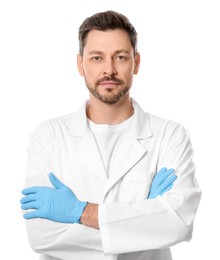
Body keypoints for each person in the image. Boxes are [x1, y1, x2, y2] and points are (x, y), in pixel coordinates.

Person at [20, 10, 201, 260]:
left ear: (136, 63)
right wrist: (144, 219)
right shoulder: (48, 137)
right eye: (96, 58)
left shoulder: (170, 136)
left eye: (120, 57)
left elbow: (178, 223)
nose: (109, 70)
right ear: (80, 64)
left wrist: (81, 212)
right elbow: (41, 235)